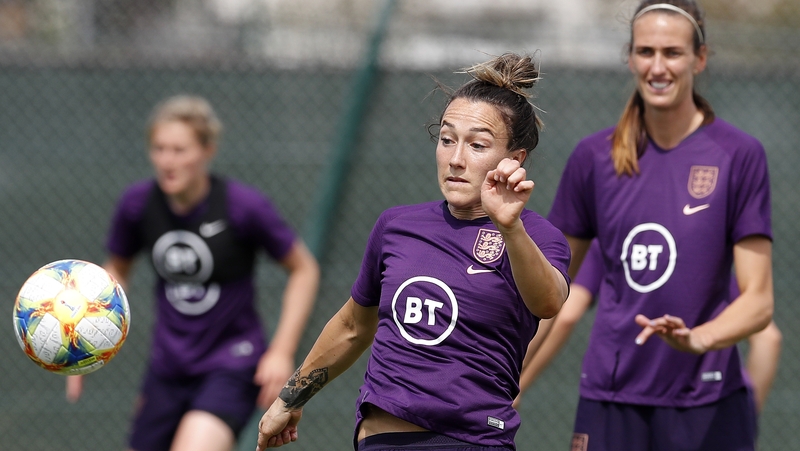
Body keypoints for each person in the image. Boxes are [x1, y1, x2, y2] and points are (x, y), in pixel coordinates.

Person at [255, 52, 571, 451]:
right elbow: (353, 326)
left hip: (470, 441)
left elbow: (549, 302)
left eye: (477, 145)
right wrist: (289, 399)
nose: (456, 159)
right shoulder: (397, 226)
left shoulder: (534, 236)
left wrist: (510, 227)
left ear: (514, 159)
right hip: (380, 441)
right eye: (447, 139)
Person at [546, 1, 774, 449]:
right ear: (630, 58)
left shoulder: (738, 155)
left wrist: (697, 339)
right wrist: (502, 376)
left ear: (699, 59)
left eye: (672, 53)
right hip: (610, 398)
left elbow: (759, 302)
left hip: (707, 401)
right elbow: (550, 291)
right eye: (645, 51)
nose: (657, 67)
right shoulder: (593, 157)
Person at [65, 95, 320, 451]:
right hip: (167, 367)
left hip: (231, 364)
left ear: (207, 151)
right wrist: (84, 337)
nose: (167, 161)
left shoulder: (243, 206)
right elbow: (117, 272)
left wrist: (281, 350)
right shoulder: (137, 204)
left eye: (179, 150)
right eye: (159, 149)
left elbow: (303, 269)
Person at [514, 240, 782, 414]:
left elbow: (566, 316)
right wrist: (745, 419)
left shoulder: (608, 242)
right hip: (705, 408)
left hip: (624, 402)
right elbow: (769, 339)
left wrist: (517, 384)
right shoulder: (698, 255)